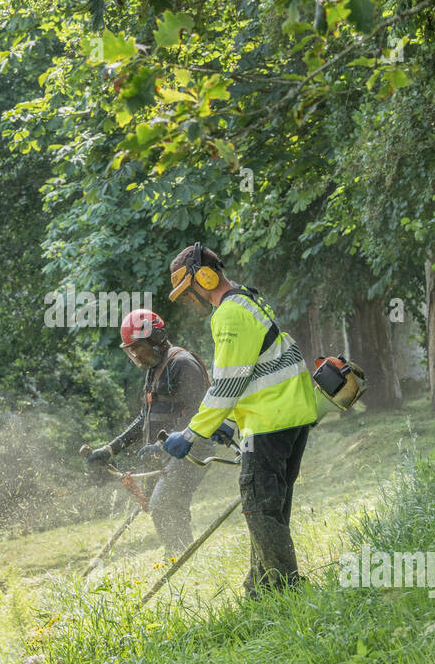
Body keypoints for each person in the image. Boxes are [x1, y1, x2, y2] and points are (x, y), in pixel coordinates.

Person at [162, 243, 318, 597]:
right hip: (289, 416)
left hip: (269, 422)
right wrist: (231, 424)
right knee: (269, 507)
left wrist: (189, 434)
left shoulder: (228, 314)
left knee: (260, 508)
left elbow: (228, 383)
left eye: (190, 291)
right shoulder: (249, 299)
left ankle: (288, 594)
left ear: (205, 276)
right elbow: (254, 369)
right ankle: (260, 589)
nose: (191, 300)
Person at [86, 308, 211, 556]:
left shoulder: (182, 364)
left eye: (137, 347)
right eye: (129, 350)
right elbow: (145, 417)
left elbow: (200, 413)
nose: (134, 355)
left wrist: (165, 444)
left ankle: (180, 559)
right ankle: (179, 558)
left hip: (191, 450)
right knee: (161, 508)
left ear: (156, 339)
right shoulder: (154, 369)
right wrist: (112, 448)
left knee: (164, 504)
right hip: (166, 454)